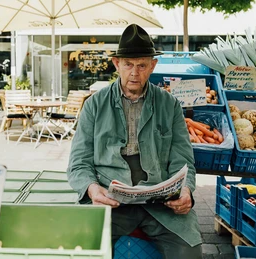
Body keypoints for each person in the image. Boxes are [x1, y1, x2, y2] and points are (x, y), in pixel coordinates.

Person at [67, 24, 202, 259]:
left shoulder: (169, 104)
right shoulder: (94, 105)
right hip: (111, 199)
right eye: (128, 64)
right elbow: (79, 163)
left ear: (153, 66)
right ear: (117, 64)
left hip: (160, 203)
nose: (134, 73)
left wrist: (186, 190)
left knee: (188, 251)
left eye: (142, 65)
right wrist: (92, 188)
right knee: (81, 247)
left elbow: (183, 159)